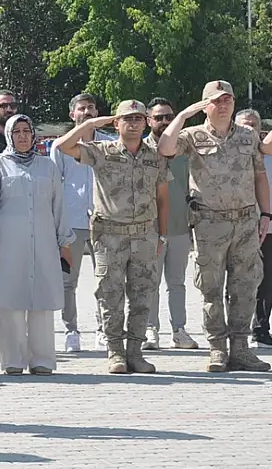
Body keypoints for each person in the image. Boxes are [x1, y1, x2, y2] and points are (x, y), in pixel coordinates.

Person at [157, 81, 272, 372]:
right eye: (216, 101)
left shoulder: (248, 136)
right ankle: (218, 349)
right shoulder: (192, 135)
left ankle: (241, 349)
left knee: (245, 288)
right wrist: (183, 115)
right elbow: (165, 148)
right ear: (205, 105)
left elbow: (260, 175)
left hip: (245, 221)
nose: (223, 106)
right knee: (211, 289)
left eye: (228, 100)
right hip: (209, 223)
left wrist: (266, 215)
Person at [55, 101, 169, 374]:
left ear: (145, 123)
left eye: (138, 118)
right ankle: (115, 352)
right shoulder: (101, 151)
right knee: (110, 296)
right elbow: (62, 146)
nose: (133, 123)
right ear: (116, 123)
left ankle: (135, 352)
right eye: (126, 118)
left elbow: (162, 198)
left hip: (144, 235)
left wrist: (161, 237)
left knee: (143, 295)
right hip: (110, 237)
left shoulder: (155, 155)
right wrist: (92, 124)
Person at [0, 114, 74, 376]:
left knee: (42, 300)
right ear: (9, 136)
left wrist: (64, 242)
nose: (22, 136)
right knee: (10, 300)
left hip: (43, 243)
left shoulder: (48, 167)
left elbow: (59, 206)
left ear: (33, 135)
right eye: (17, 131)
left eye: (26, 131)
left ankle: (42, 359)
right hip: (8, 245)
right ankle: (13, 360)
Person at [48, 93, 111, 353]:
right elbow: (54, 186)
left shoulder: (110, 144)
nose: (86, 112)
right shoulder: (60, 147)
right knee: (67, 282)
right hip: (71, 221)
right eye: (81, 109)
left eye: (91, 108)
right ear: (72, 115)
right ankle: (70, 330)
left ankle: (104, 330)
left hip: (105, 219)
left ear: (97, 113)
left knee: (106, 280)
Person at [143, 98, 198, 350]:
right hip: (148, 228)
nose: (164, 121)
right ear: (148, 120)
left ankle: (179, 330)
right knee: (150, 282)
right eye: (159, 117)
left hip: (179, 225)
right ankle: (150, 330)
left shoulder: (184, 149)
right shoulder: (140, 149)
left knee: (176, 282)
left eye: (169, 116)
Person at [234, 110, 272, 349]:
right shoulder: (229, 155)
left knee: (266, 281)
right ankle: (234, 332)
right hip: (234, 227)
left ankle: (261, 330)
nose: (250, 129)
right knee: (236, 280)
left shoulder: (271, 158)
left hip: (268, 228)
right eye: (245, 125)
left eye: (254, 125)